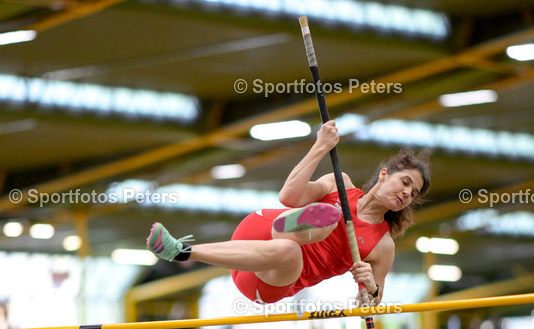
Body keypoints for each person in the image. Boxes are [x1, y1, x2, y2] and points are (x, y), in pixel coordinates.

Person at [146, 121, 430, 305]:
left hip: (269, 277)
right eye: (405, 182)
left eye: (413, 193)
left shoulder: (383, 246)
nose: (407, 193)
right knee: (319, 220)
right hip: (257, 233)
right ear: (384, 175)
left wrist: (371, 288)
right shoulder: (339, 184)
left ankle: (183, 252)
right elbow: (288, 196)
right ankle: (305, 225)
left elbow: (368, 304)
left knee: (291, 251)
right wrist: (320, 146)